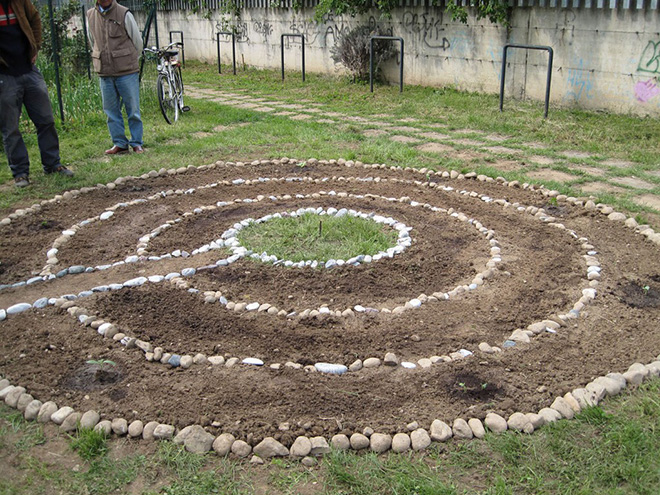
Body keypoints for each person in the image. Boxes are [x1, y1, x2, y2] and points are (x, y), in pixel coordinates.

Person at [0, 0, 73, 188]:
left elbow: (35, 18)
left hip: (29, 69)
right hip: (4, 75)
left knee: (46, 119)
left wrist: (36, 46)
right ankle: (20, 173)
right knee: (11, 127)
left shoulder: (20, 1)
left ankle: (52, 164)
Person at [87, 0, 144, 155]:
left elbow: (137, 41)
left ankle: (137, 143)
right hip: (105, 71)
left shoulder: (124, 13)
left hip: (126, 71)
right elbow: (93, 41)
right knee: (111, 110)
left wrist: (130, 60)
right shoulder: (91, 15)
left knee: (133, 109)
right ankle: (119, 143)